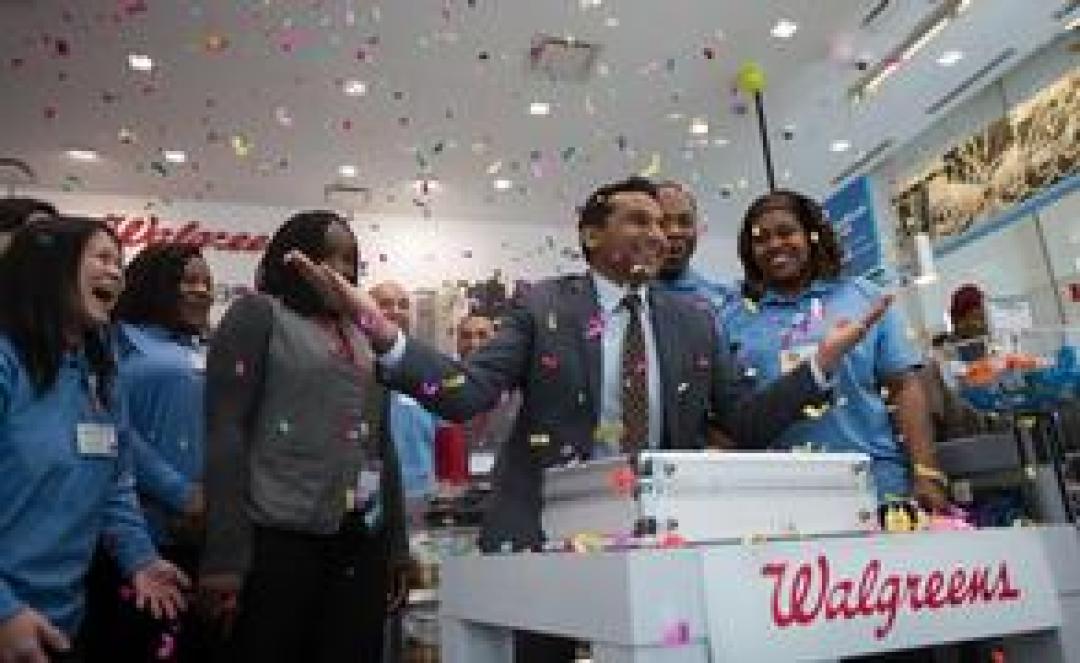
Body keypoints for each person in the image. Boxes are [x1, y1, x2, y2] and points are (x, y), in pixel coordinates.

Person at [288, 177, 889, 663]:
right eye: (640, 220)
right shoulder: (541, 305)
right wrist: (381, 331)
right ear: (592, 235)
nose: (659, 235)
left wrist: (818, 366)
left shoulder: (696, 321)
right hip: (546, 534)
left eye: (663, 224)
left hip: (657, 541)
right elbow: (465, 396)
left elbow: (746, 424)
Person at [198, 211, 408, 663]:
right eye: (328, 257)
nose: (342, 270)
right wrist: (224, 558)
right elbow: (226, 431)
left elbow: (382, 443)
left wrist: (396, 546)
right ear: (294, 258)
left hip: (359, 538)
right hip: (278, 536)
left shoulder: (366, 332)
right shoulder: (258, 315)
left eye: (351, 259)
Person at [0, 217, 188, 663]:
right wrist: (4, 612)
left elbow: (116, 484)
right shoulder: (7, 362)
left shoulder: (100, 374)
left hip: (60, 623)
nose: (116, 273)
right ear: (50, 268)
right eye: (102, 257)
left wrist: (140, 559)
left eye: (119, 262)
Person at [722, 189, 948, 510]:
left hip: (875, 486)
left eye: (786, 232)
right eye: (761, 239)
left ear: (812, 235)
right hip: (778, 499)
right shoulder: (732, 319)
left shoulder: (863, 298)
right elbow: (730, 419)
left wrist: (926, 474)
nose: (774, 245)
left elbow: (904, 387)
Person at [83, 243, 215, 662]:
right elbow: (115, 429)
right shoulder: (114, 338)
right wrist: (180, 492)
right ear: (156, 283)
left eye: (207, 282)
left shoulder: (208, 346)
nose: (202, 290)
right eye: (188, 280)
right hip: (138, 527)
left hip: (201, 530)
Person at [370, 281, 439, 516]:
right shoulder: (356, 363)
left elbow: (445, 431)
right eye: (385, 304)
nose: (396, 311)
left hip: (419, 495)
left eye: (403, 304)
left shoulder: (427, 366)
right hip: (366, 495)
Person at [653, 181, 734, 324]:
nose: (674, 232)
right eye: (661, 222)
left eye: (685, 222)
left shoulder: (725, 303)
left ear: (697, 228)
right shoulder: (623, 300)